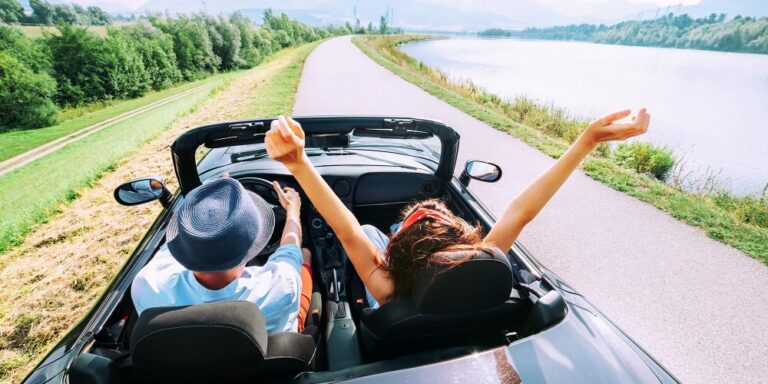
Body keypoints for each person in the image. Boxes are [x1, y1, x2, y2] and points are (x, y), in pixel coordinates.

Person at [265, 110, 650, 307]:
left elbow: (348, 228)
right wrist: (587, 140)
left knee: (367, 233)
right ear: (464, 242)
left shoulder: (388, 289)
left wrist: (299, 163)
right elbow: (521, 212)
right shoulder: (485, 265)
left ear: (396, 255)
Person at [131, 177, 314, 334]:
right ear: (253, 243)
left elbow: (171, 245)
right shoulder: (282, 284)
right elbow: (291, 249)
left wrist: (204, 208)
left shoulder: (146, 285)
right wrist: (292, 210)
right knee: (304, 255)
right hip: (270, 360)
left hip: (193, 365)